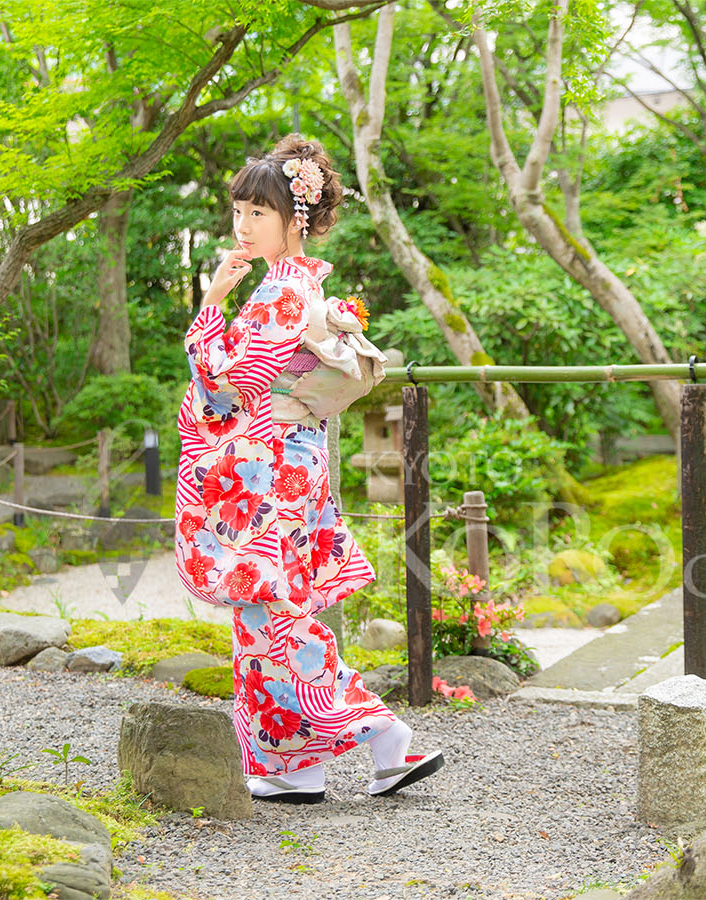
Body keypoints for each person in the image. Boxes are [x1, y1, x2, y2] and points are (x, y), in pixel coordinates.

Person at [173, 134, 443, 803]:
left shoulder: (285, 293)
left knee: (272, 614)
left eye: (256, 214)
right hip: (288, 463)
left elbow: (232, 384)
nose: (241, 226)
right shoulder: (291, 287)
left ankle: (383, 735)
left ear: (295, 219)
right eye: (237, 212)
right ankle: (294, 766)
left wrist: (209, 306)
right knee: (261, 615)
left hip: (269, 471)